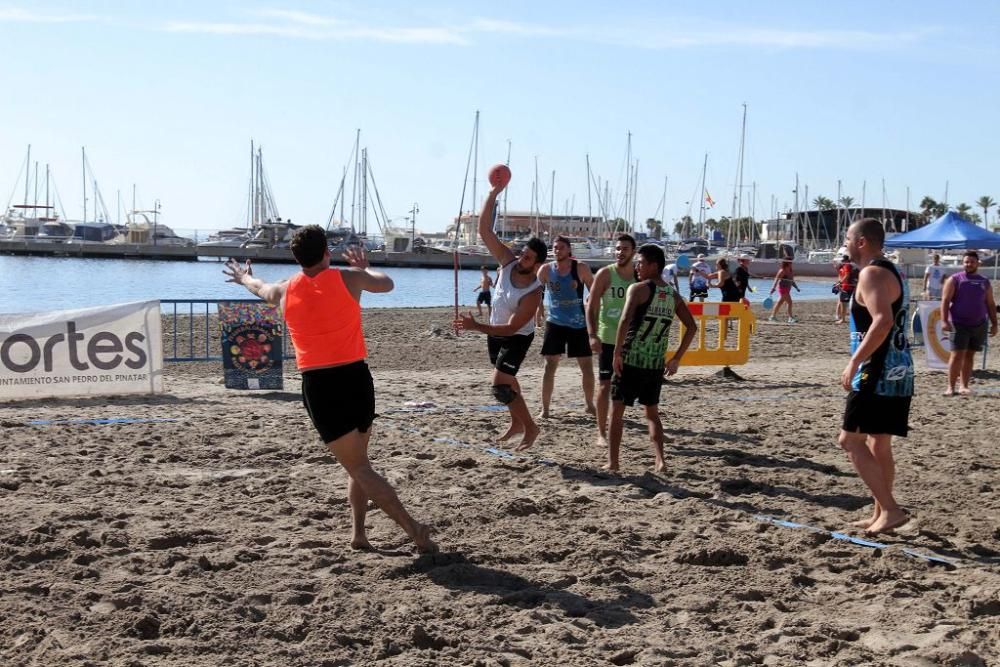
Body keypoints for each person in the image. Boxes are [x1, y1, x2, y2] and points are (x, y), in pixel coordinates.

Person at [223, 226, 437, 553]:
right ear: (327, 252)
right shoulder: (349, 279)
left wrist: (242, 278)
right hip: (357, 379)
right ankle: (360, 536)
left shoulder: (283, 291)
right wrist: (363, 267)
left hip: (321, 385)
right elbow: (387, 284)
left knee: (359, 466)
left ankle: (414, 531)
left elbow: (258, 287)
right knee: (359, 464)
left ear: (296, 258)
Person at [454, 180, 547, 451]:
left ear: (538, 264)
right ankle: (517, 423)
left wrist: (474, 326)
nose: (521, 259)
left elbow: (511, 328)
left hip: (516, 337)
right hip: (495, 332)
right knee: (508, 379)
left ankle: (531, 427)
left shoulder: (533, 292)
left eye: (528, 258)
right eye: (523, 254)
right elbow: (485, 230)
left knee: (500, 386)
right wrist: (493, 194)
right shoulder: (507, 263)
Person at [838, 218, 914, 534]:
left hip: (877, 370)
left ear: (862, 242)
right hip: (900, 369)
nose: (844, 244)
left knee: (850, 440)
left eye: (847, 238)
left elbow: (881, 321)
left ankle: (892, 510)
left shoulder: (871, 273)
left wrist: (855, 361)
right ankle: (881, 512)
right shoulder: (892, 271)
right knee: (878, 444)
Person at [608, 244, 697, 472]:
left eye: (640, 262)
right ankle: (660, 460)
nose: (636, 266)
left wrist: (617, 352)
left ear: (653, 265)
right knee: (652, 413)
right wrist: (676, 358)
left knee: (617, 410)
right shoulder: (673, 295)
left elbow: (625, 320)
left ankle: (614, 462)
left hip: (631, 359)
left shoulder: (637, 289)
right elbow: (691, 327)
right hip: (655, 364)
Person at [535, 235, 596, 419]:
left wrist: (590, 303)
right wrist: (537, 311)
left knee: (586, 366)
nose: (557, 250)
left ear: (569, 250)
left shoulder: (581, 267)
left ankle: (589, 405)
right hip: (555, 323)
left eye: (561, 247)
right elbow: (537, 291)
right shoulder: (546, 269)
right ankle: (545, 409)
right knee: (549, 366)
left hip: (578, 324)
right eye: (555, 247)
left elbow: (595, 291)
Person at [585, 234, 637, 446]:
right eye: (617, 248)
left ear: (633, 252)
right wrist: (592, 334)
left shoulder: (639, 276)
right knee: (605, 385)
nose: (619, 252)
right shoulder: (606, 274)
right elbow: (591, 305)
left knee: (635, 386)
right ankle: (601, 433)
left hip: (631, 339)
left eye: (624, 248)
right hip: (607, 337)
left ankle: (653, 425)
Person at [940, 250, 998, 395]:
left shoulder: (984, 281)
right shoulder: (955, 279)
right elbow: (945, 301)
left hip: (979, 324)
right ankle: (950, 387)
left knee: (970, 355)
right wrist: (944, 321)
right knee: (957, 355)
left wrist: (995, 324)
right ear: (962, 263)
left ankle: (964, 386)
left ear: (978, 263)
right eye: (966, 262)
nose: (969, 264)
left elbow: (990, 304)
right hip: (959, 323)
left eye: (972, 261)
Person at [768, 258, 800, 322]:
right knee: (789, 302)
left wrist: (796, 287)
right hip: (782, 289)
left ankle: (772, 316)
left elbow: (791, 280)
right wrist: (773, 288)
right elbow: (776, 279)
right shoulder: (782, 271)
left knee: (779, 303)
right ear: (787, 263)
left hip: (788, 289)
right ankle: (790, 318)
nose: (792, 263)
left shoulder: (790, 270)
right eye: (790, 262)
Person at [835, 255, 860, 324]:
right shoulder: (842, 266)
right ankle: (840, 317)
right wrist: (838, 283)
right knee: (842, 302)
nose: (842, 262)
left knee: (845, 303)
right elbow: (841, 276)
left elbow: (847, 275)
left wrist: (840, 282)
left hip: (848, 286)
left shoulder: (847, 266)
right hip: (845, 286)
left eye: (843, 260)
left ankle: (843, 319)